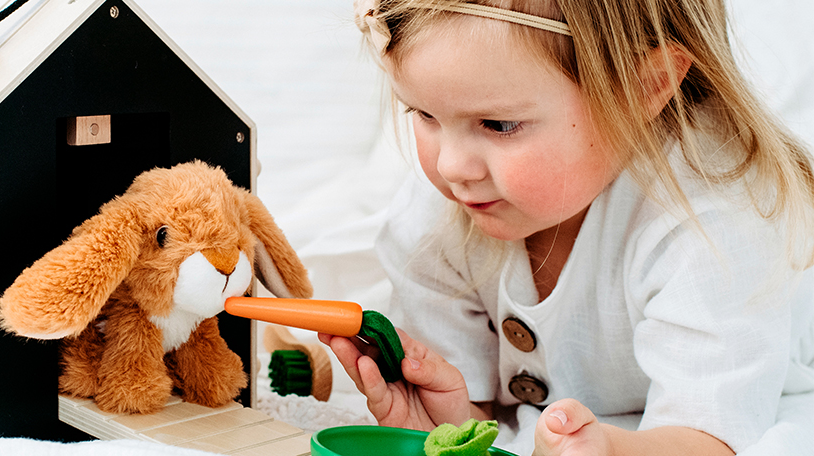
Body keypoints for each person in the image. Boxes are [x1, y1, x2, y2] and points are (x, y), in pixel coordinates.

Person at [319, 1, 814, 455]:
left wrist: (612, 450)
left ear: (645, 89)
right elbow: (472, 413)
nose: (451, 166)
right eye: (423, 114)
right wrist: (447, 425)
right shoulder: (436, 217)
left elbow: (711, 436)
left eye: (497, 124)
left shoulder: (713, 223)